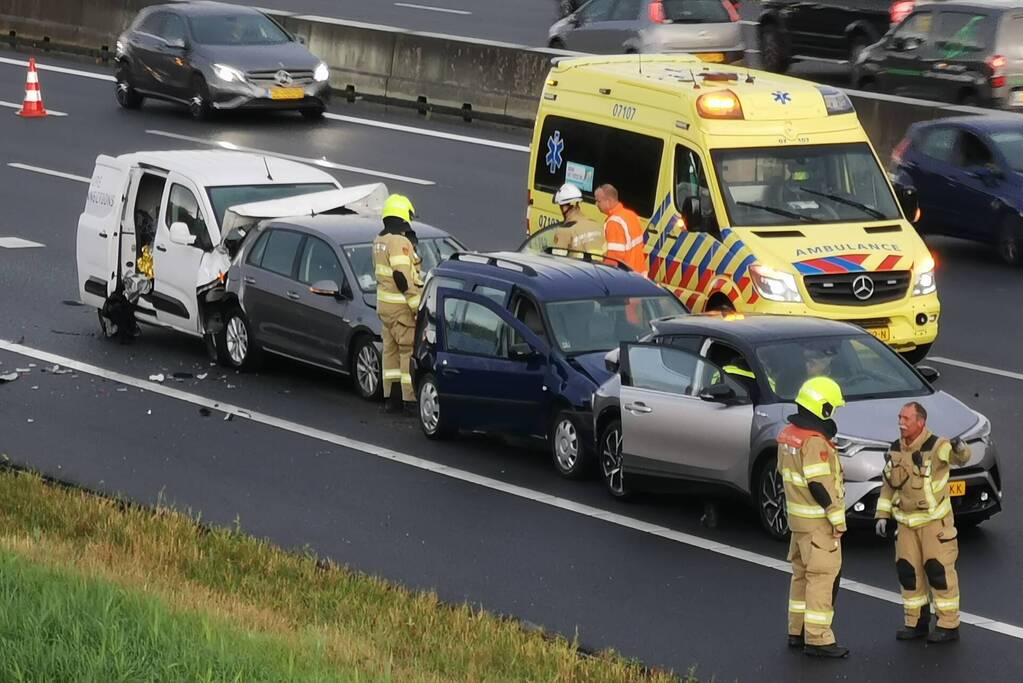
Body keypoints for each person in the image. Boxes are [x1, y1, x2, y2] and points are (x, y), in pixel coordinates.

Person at [875, 402, 970, 643]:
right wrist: (882, 515)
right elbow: (889, 485)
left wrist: (960, 447)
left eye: (906, 418)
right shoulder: (895, 449)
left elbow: (960, 458)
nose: (901, 422)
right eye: (899, 417)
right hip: (906, 526)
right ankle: (915, 622)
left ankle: (948, 624)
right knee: (908, 573)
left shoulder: (936, 446)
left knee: (939, 572)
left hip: (934, 525)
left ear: (921, 422)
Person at [777, 377, 850, 658]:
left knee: (801, 577)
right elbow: (818, 484)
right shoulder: (815, 442)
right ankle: (818, 639)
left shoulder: (789, 437)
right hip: (818, 525)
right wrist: (837, 519)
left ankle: (797, 631)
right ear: (824, 408)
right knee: (822, 578)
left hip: (798, 523)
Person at [373, 194, 423, 416]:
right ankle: (409, 400)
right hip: (401, 308)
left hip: (384, 307)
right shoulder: (399, 242)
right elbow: (402, 277)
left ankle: (390, 400)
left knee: (390, 353)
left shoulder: (379, 240)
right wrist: (415, 306)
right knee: (406, 353)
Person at [595, 184, 647, 275]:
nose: (596, 204)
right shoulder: (631, 215)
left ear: (608, 201)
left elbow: (614, 258)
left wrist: (604, 275)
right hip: (639, 274)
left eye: (598, 201)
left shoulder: (614, 223)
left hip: (625, 277)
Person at [551, 183, 606, 255]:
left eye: (561, 206)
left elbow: (557, 260)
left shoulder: (564, 231)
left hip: (575, 266)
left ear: (565, 207)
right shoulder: (598, 226)